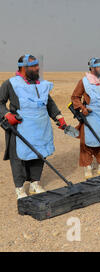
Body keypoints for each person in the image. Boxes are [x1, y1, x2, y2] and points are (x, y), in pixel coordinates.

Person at [0, 54, 67, 198]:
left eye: (38, 65)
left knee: (39, 153)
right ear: (24, 68)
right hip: (20, 128)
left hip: (41, 127)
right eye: (34, 66)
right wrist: (6, 115)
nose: (38, 68)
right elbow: (0, 102)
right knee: (19, 157)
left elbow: (48, 103)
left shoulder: (41, 84)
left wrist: (59, 117)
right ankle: (19, 188)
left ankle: (35, 184)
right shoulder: (10, 83)